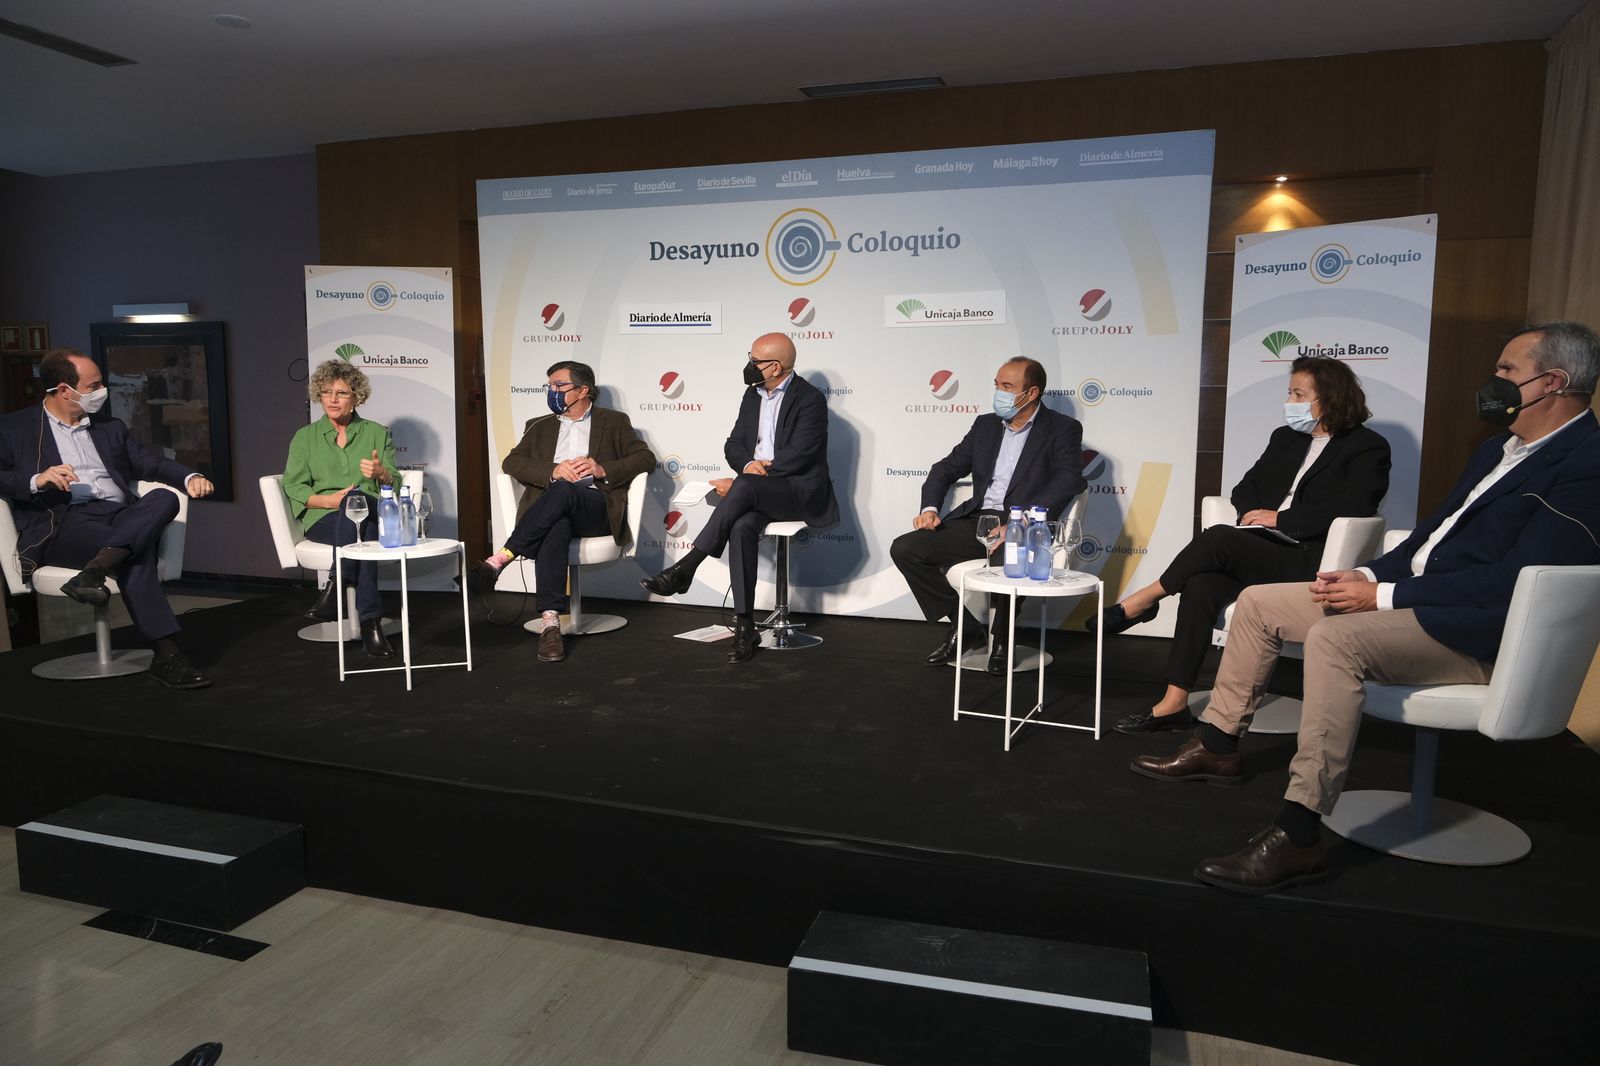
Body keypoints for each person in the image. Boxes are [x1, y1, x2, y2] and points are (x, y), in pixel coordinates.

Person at [1130, 322, 1600, 893]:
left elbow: (1516, 583)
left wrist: (1381, 595)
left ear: (1553, 382)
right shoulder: (1496, 452)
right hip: (1414, 601)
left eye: (1506, 371)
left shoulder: (1584, 465)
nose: (1492, 381)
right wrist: (1369, 573)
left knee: (1333, 639)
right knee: (1256, 603)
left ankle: (1300, 833)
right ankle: (1219, 745)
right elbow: (1430, 539)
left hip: (1471, 630)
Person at [1092, 357, 1390, 733]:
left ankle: (1143, 599)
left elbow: (1355, 507)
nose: (1291, 401)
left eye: (1299, 394)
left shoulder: (1367, 446)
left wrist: (1279, 519)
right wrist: (1254, 513)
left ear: (1329, 399)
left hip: (1308, 556)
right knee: (1201, 585)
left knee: (1218, 538)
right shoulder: (1286, 438)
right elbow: (1244, 488)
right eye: (1290, 392)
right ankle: (1173, 702)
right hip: (1261, 547)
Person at [0, 348, 215, 688]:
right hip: (65, 521)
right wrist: (35, 480)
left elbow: (150, 462)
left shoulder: (109, 427)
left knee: (164, 498)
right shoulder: (15, 428)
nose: (103, 392)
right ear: (63, 389)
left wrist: (188, 478)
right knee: (135, 553)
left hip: (118, 516)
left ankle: (95, 571)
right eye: (94, 385)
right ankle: (166, 653)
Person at [640, 333, 839, 663]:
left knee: (743, 487)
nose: (749, 365)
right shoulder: (752, 395)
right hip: (759, 488)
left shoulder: (810, 399)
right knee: (742, 526)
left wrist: (749, 478)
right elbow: (733, 443)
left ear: (775, 367)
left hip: (797, 491)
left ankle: (687, 566)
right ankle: (746, 629)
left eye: (755, 359)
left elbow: (801, 455)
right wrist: (747, 465)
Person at [890, 357, 1086, 672]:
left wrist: (1021, 523)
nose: (999, 393)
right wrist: (929, 509)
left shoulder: (1062, 429)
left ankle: (1002, 639)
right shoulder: (985, 426)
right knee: (906, 548)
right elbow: (946, 468)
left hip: (1024, 524)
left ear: (1031, 392)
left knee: (1008, 560)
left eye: (1007, 387)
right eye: (997, 385)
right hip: (979, 520)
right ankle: (966, 627)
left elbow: (1068, 480)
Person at [468, 360, 655, 662]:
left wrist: (601, 468)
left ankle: (501, 557)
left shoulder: (615, 421)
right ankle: (551, 622)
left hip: (596, 508)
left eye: (559, 386)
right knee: (557, 523)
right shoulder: (539, 425)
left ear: (583, 391)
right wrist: (553, 470)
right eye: (549, 386)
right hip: (552, 511)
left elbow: (645, 459)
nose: (551, 391)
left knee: (568, 491)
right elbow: (511, 463)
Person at [281, 360, 398, 659]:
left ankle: (336, 585)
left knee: (358, 501)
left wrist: (381, 473)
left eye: (342, 393)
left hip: (370, 508)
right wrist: (332, 501)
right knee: (362, 528)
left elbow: (395, 483)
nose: (332, 399)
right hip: (324, 517)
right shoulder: (304, 437)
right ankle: (371, 623)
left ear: (357, 397)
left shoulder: (376, 433)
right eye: (326, 392)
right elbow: (294, 487)